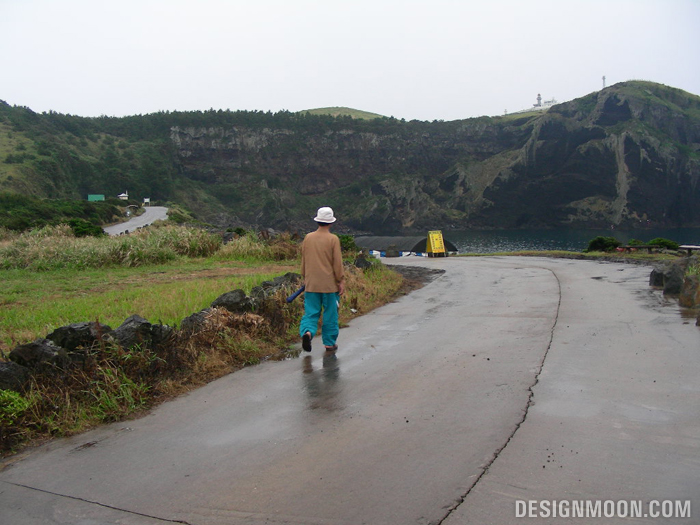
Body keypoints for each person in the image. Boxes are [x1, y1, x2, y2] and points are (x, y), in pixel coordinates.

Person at [299, 206, 345, 352]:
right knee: (330, 314)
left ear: (317, 221)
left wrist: (305, 277)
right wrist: (341, 280)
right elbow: (337, 263)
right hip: (329, 285)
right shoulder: (333, 239)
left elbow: (304, 261)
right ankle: (329, 343)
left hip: (311, 283)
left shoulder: (308, 238)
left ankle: (307, 332)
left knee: (311, 313)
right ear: (331, 222)